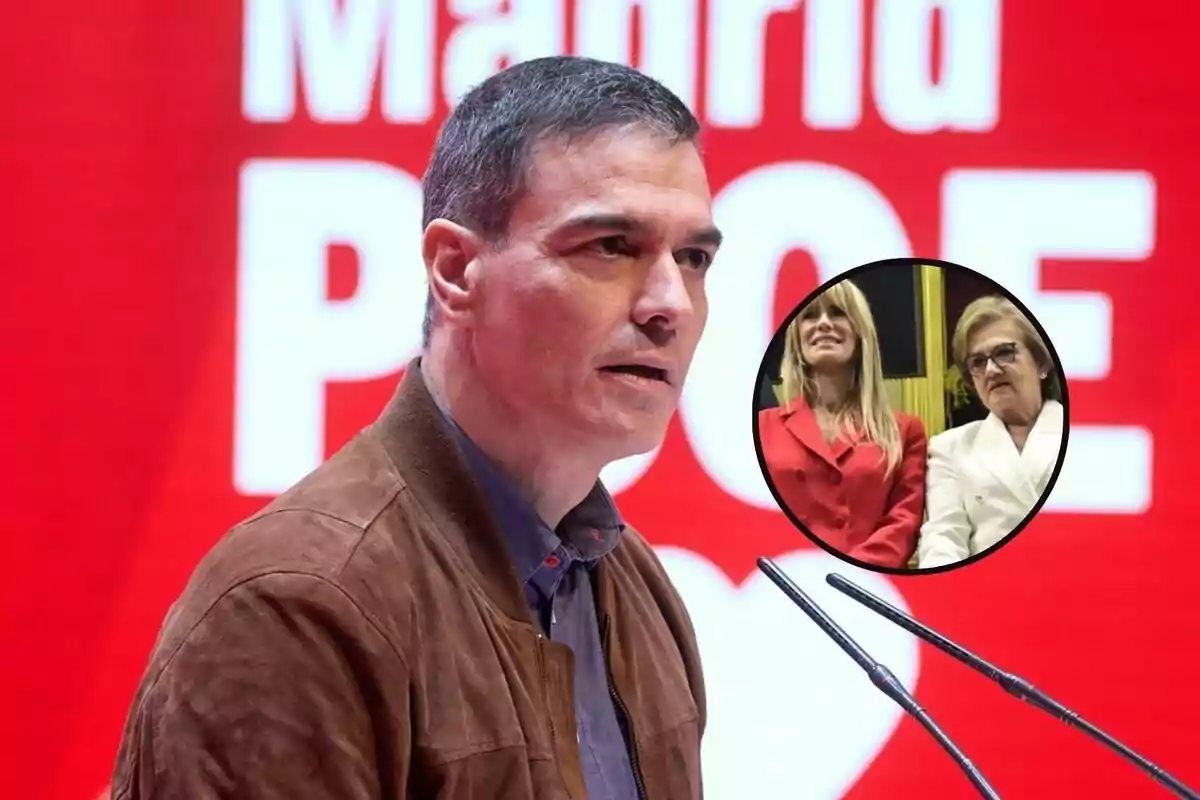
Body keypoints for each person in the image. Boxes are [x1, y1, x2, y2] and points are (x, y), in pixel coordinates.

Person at [110, 56, 722, 799]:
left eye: (692, 258)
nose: (671, 304)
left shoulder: (632, 585)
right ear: (456, 270)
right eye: (610, 247)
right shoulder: (297, 606)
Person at [757, 280, 928, 568]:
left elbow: (903, 522)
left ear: (860, 332)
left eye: (837, 312)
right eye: (810, 315)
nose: (823, 323)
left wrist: (849, 577)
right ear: (797, 338)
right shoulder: (762, 427)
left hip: (868, 588)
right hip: (784, 583)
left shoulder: (906, 431)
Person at [917, 295, 1065, 569]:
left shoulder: (1091, 434)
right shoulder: (948, 448)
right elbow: (944, 537)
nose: (991, 370)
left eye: (1005, 353)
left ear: (1041, 363)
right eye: (977, 362)